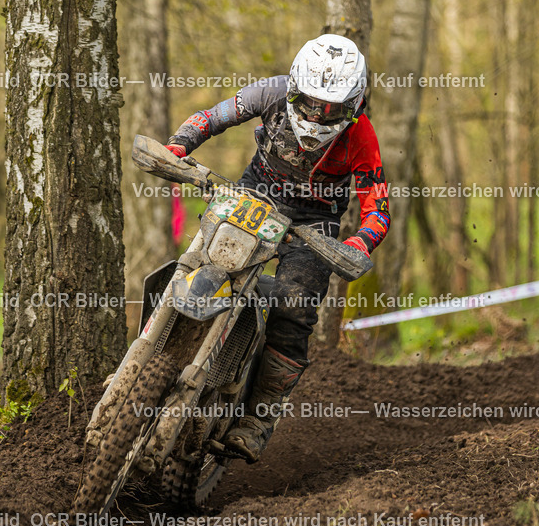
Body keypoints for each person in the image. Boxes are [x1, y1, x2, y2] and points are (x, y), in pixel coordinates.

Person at [165, 33, 390, 462]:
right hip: (255, 194)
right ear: (292, 88)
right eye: (310, 103)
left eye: (334, 109)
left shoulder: (360, 136)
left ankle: (259, 418)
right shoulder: (267, 93)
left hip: (314, 222)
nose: (320, 116)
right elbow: (213, 116)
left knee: (294, 307)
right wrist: (178, 146)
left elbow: (377, 206)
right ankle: (144, 364)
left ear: (356, 104)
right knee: (197, 260)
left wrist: (359, 241)